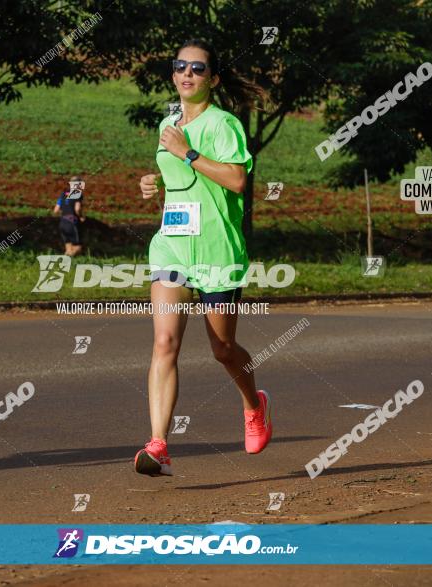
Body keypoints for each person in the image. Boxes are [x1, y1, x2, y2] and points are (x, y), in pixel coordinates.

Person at [133, 39, 271, 476]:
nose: (187, 73)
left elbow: (235, 181)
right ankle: (158, 445)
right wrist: (154, 182)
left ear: (212, 78)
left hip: (216, 248)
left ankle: (254, 403)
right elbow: (181, 183)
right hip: (172, 243)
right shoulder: (167, 122)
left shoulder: (223, 124)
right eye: (180, 67)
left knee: (223, 349)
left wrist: (186, 153)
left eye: (197, 68)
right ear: (173, 74)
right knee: (164, 342)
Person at [53, 176, 86, 256]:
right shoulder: (77, 193)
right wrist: (81, 217)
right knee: (78, 247)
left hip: (62, 223)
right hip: (71, 223)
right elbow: (77, 209)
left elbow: (56, 210)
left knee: (68, 248)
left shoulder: (63, 194)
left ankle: (64, 263)